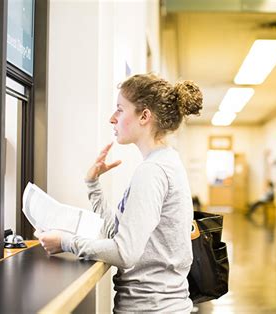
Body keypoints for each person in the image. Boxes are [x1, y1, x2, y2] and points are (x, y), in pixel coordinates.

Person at [35, 73, 203, 312]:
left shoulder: (153, 171)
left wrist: (66, 242)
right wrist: (92, 184)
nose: (112, 119)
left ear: (144, 116)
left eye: (120, 110)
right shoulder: (164, 161)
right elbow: (118, 235)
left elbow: (124, 253)